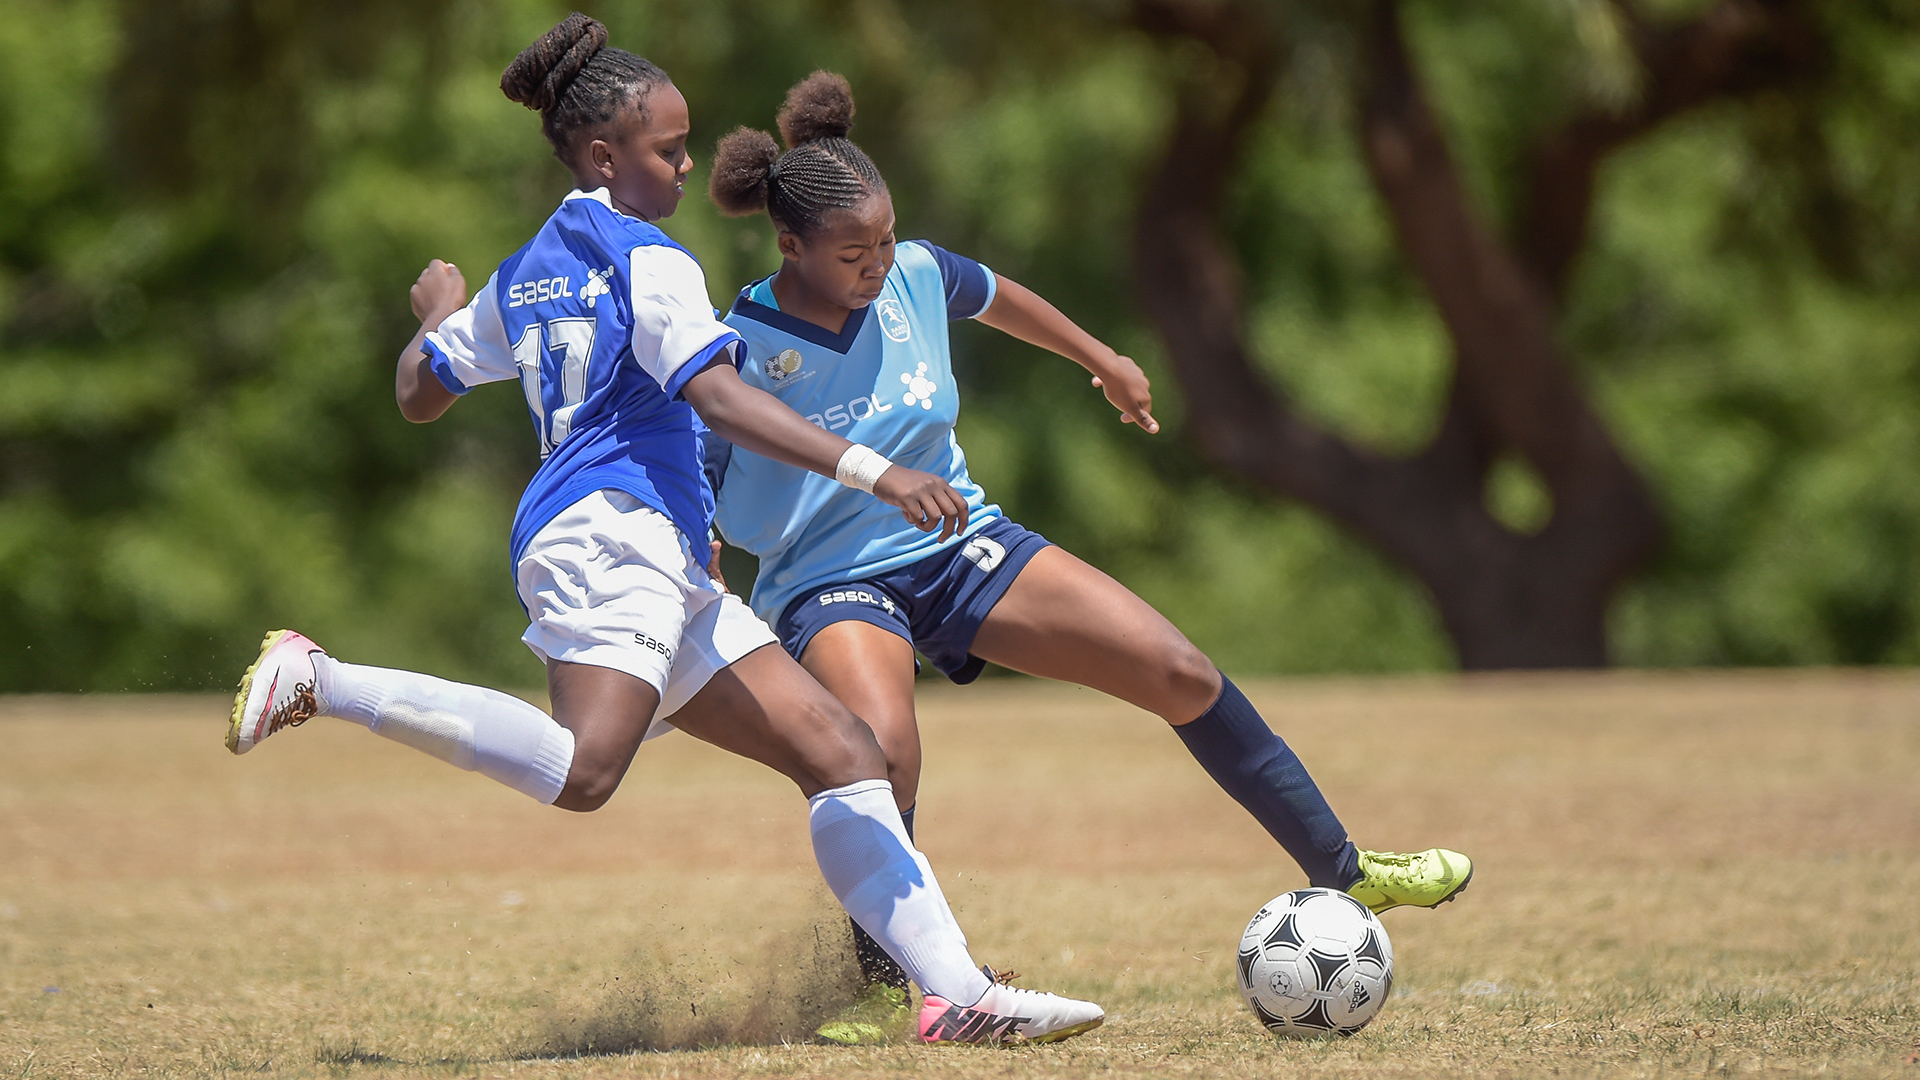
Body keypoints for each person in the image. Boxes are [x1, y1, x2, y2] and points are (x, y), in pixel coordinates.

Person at [224, 15, 1103, 1047]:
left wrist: (436, 315)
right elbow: (722, 400)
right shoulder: (652, 260)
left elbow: (422, 391)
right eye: (668, 150)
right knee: (585, 772)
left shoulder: (529, 268)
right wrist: (876, 470)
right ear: (606, 155)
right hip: (610, 535)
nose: (689, 167)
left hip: (647, 550)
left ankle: (956, 995)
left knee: (843, 752)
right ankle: (322, 680)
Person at [704, 72, 1473, 1045]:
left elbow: (997, 297)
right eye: (853, 253)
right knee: (882, 752)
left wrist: (1100, 357)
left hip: (959, 540)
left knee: (1178, 670)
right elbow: (704, 479)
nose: (876, 265)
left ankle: (1342, 865)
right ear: (790, 246)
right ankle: (901, 984)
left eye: (886, 243)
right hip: (831, 579)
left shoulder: (917, 276)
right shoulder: (738, 343)